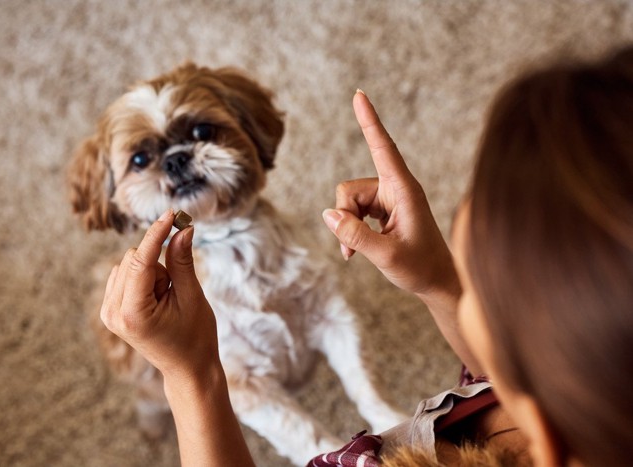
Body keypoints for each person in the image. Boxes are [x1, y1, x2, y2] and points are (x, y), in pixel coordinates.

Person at [99, 45, 633, 466]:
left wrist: (192, 379)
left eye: (479, 289)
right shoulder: (571, 402)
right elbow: (491, 375)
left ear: (544, 427)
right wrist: (439, 283)